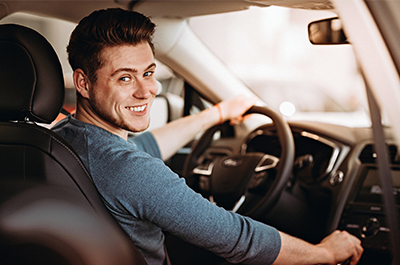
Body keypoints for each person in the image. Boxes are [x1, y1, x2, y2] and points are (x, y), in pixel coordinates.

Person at [52, 8, 363, 265]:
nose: (147, 90)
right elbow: (237, 238)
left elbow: (146, 145)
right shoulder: (132, 171)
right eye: (124, 78)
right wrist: (325, 252)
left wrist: (215, 114)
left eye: (148, 73)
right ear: (83, 83)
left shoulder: (62, 138)